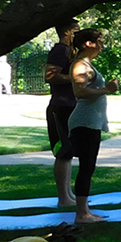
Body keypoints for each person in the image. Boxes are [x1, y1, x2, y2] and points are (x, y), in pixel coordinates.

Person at [68, 29, 120, 223]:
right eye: (99, 42)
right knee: (86, 166)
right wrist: (107, 89)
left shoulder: (87, 65)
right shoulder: (80, 65)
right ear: (87, 44)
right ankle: (82, 214)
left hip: (90, 122)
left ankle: (85, 211)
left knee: (88, 167)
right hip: (84, 122)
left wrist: (105, 89)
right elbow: (79, 91)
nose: (102, 46)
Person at [45, 19, 80, 206]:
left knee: (69, 152)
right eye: (76, 30)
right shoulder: (60, 51)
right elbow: (49, 76)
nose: (79, 34)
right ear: (66, 32)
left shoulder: (70, 52)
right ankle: (63, 198)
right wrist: (73, 78)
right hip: (60, 107)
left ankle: (68, 194)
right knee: (62, 152)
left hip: (70, 106)